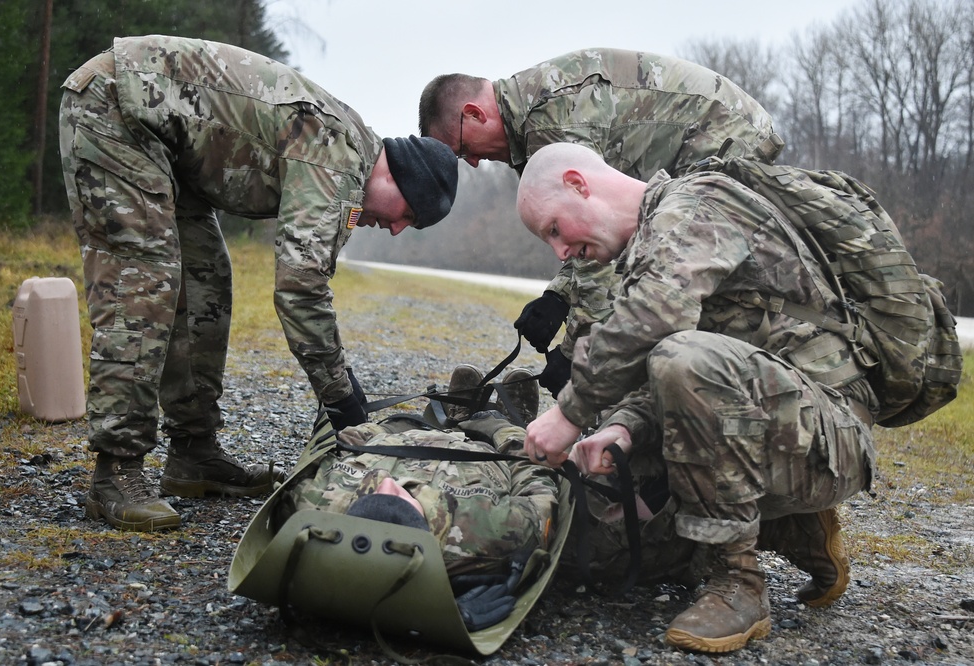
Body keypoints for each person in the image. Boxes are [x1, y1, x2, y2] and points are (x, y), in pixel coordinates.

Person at [59, 36, 459, 533]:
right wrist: (341, 399)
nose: (397, 228)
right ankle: (116, 471)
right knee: (143, 284)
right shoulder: (336, 159)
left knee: (206, 283)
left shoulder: (347, 153)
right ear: (402, 179)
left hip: (165, 143)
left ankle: (193, 453)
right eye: (410, 217)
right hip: (119, 106)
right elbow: (300, 288)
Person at [516, 143, 874, 654]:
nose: (560, 252)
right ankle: (788, 527)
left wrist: (569, 414)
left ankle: (738, 582)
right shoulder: (651, 245)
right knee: (595, 541)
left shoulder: (697, 204)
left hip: (830, 435)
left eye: (554, 228)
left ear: (578, 184)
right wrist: (621, 428)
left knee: (682, 359)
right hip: (768, 426)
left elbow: (663, 326)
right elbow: (660, 372)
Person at [418, 48, 784, 398]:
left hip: (726, 139)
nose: (472, 163)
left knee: (683, 290)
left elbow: (596, 233)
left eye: (462, 149)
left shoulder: (551, 115)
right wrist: (558, 296)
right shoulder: (530, 123)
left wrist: (574, 350)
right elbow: (581, 234)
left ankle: (729, 402)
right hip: (691, 155)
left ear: (474, 114)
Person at [271, 364, 553, 630]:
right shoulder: (487, 530)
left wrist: (396, 425)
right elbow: (535, 478)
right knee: (519, 439)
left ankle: (458, 420)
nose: (386, 483)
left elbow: (340, 444)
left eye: (371, 490)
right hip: (485, 448)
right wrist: (503, 430)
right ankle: (513, 419)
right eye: (399, 494)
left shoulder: (315, 505)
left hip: (405, 437)